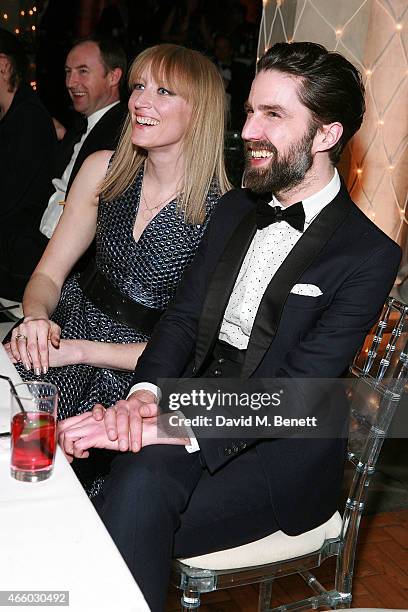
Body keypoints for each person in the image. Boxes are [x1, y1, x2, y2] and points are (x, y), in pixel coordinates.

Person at [57, 42, 401, 611]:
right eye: (248, 112)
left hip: (276, 450)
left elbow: (299, 389)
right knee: (109, 492)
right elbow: (183, 318)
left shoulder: (367, 254)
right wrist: (143, 399)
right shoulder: (238, 206)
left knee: (123, 504)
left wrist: (163, 424)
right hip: (191, 400)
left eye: (273, 116)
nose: (247, 130)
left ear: (326, 136)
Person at [6, 44, 230, 498]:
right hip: (66, 332)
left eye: (163, 91)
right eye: (139, 87)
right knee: (16, 454)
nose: (140, 102)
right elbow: (48, 276)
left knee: (75, 496)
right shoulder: (102, 171)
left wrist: (81, 351)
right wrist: (35, 320)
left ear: (200, 109)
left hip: (140, 375)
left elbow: (190, 350)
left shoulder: (223, 214)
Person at [0, 36, 127, 301]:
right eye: (68, 72)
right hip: (35, 241)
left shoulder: (121, 134)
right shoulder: (83, 126)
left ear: (113, 76)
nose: (71, 83)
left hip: (64, 262)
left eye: (83, 71)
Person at [0, 28, 57, 302]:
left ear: (2, 66)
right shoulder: (14, 113)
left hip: (18, 264)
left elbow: (10, 200)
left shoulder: (28, 119)